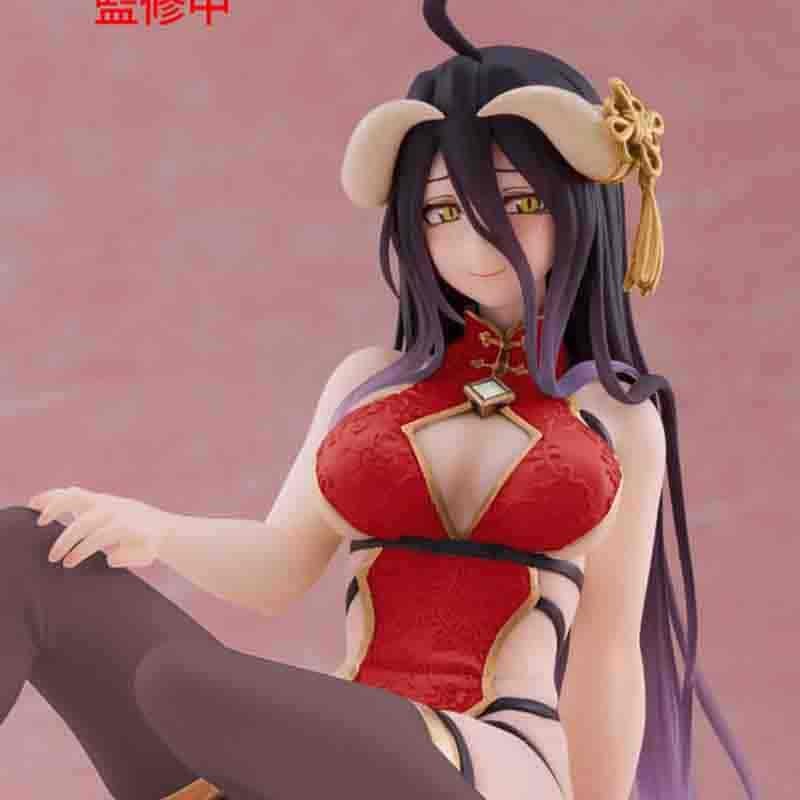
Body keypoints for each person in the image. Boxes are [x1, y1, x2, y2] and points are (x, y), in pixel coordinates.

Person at [1, 2, 758, 799]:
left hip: (498, 761)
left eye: (519, 203)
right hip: (336, 744)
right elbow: (277, 566)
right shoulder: (371, 383)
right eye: (441, 212)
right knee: (27, 549)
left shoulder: (619, 417)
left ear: (580, 202)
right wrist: (156, 529)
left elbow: (608, 654)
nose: (477, 241)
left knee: (185, 687)